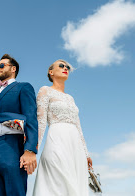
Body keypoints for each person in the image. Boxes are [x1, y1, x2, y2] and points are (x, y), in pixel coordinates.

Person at [0, 54, 38, 196]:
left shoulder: (23, 87)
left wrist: (30, 150)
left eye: (2, 65)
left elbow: (31, 119)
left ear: (13, 68)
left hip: (12, 149)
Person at [32, 59, 92, 196]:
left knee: (77, 186)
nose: (65, 68)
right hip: (57, 140)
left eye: (67, 67)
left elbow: (78, 126)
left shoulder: (71, 98)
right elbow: (40, 122)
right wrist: (33, 150)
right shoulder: (45, 90)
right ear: (51, 72)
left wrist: (86, 153)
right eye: (61, 66)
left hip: (75, 145)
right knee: (58, 182)